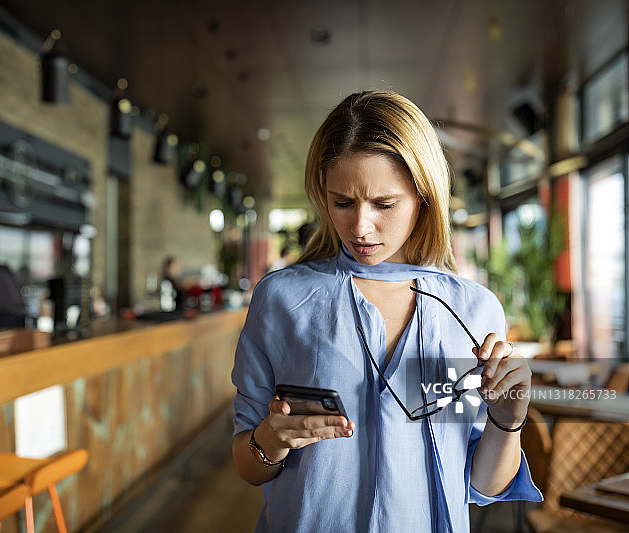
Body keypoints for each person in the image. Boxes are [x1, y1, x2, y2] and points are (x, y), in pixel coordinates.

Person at [231, 91, 542, 532]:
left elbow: (482, 485)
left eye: (384, 204)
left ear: (424, 194)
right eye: (342, 202)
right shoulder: (282, 299)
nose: (360, 227)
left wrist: (507, 421)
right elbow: (248, 465)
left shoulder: (471, 310)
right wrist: (270, 439)